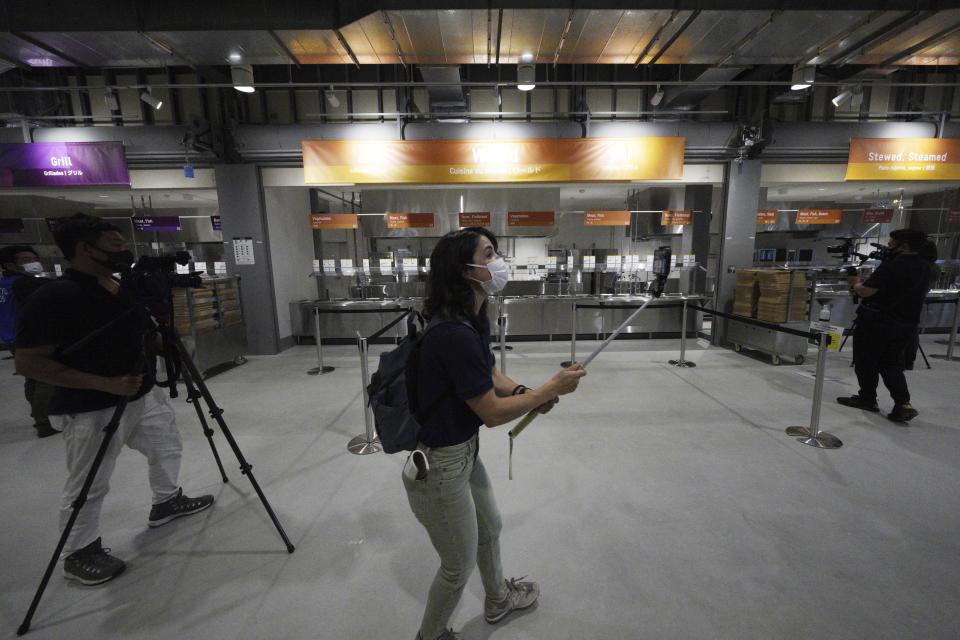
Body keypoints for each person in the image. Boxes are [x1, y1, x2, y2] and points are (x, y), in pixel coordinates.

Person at [404, 227, 586, 640]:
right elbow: (489, 412)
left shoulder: (471, 317)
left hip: (464, 451)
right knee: (456, 567)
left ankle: (498, 600)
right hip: (441, 466)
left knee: (491, 527)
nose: (499, 262)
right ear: (465, 270)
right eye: (489, 255)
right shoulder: (451, 333)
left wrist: (526, 391)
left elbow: (488, 372)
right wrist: (547, 390)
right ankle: (429, 636)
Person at [14, 213, 214, 586]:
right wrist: (103, 383)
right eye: (114, 245)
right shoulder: (54, 297)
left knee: (166, 446)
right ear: (83, 249)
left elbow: (137, 334)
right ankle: (79, 551)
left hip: (141, 391)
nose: (123, 251)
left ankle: (167, 500)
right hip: (90, 405)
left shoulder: (120, 287)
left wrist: (161, 341)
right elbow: (30, 362)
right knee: (90, 480)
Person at [837, 228, 931, 422]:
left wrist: (854, 282)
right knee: (891, 363)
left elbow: (865, 292)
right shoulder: (924, 267)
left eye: (892, 241)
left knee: (865, 361)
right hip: (906, 324)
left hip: (877, 322)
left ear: (903, 244)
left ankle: (867, 398)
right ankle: (902, 403)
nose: (889, 244)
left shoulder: (893, 265)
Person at [1, 245, 56, 437]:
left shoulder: (4, 285)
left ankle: (38, 417)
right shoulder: (25, 284)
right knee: (46, 379)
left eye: (34, 258)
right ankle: (45, 421)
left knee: (32, 378)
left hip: (11, 337)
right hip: (33, 338)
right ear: (9, 264)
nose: (33, 263)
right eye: (25, 260)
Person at [903, 240, 939, 371]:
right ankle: (908, 361)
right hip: (918, 301)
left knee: (907, 332)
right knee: (912, 331)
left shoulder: (922, 266)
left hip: (908, 301)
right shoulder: (934, 267)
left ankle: (904, 360)